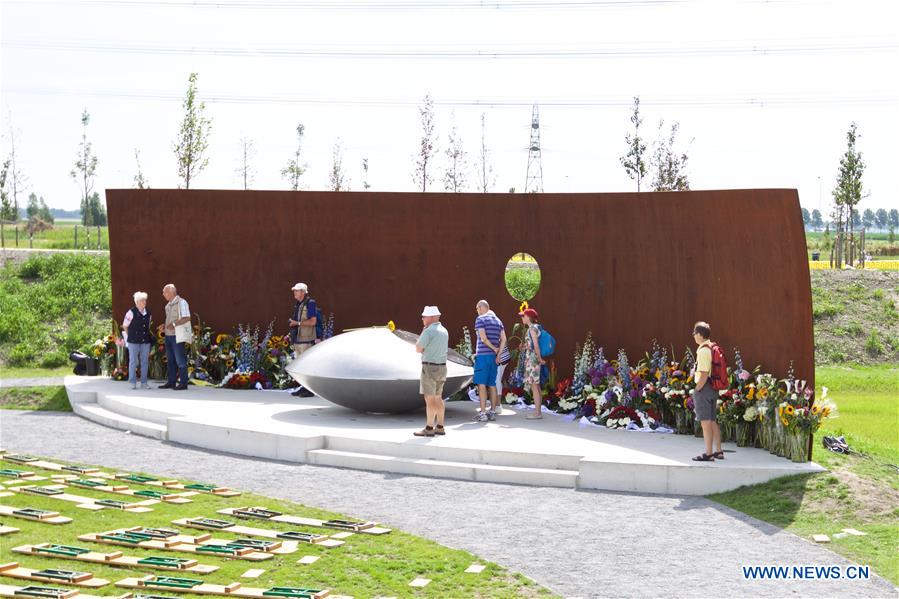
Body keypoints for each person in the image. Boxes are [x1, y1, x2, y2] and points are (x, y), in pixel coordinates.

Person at [414, 305, 449, 437]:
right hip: (442, 367)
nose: (422, 318)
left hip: (429, 368)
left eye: (424, 316)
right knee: (438, 397)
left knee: (429, 399)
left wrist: (423, 332)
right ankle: (440, 426)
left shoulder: (428, 331)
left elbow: (418, 348)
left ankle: (429, 428)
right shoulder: (444, 330)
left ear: (432, 317)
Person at [691, 321, 724, 461]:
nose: (693, 335)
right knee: (712, 421)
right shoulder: (711, 347)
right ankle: (719, 451)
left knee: (705, 423)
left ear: (700, 334)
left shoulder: (703, 351)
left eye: (694, 333)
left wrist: (696, 389)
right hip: (713, 388)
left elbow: (704, 373)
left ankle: (709, 453)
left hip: (704, 388)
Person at [472, 299, 507, 422]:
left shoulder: (480, 319)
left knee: (481, 384)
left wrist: (493, 348)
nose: (477, 311)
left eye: (477, 308)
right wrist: (498, 353)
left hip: (482, 356)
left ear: (481, 307)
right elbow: (504, 339)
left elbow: (483, 338)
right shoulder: (498, 321)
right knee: (492, 384)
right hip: (493, 357)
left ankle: (482, 413)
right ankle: (492, 412)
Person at [157, 284, 191, 391]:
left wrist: (174, 324)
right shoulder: (167, 306)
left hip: (178, 336)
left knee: (180, 360)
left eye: (165, 292)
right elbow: (170, 321)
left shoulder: (182, 302)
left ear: (171, 292)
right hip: (168, 336)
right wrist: (164, 326)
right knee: (170, 360)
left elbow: (187, 318)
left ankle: (183, 383)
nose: (163, 294)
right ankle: (171, 382)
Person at [288, 282, 318, 397]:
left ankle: (310, 390)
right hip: (298, 339)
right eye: (294, 291)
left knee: (307, 366)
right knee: (300, 366)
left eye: (297, 290)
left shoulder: (310, 303)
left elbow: (313, 322)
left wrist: (297, 323)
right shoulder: (298, 304)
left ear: (303, 292)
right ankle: (303, 387)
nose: (294, 292)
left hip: (306, 340)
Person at [122, 291, 152, 390]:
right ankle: (132, 382)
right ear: (137, 302)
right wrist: (130, 335)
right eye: (142, 300)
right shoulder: (130, 312)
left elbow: (147, 326)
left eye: (145, 300)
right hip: (133, 341)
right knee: (133, 362)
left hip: (145, 341)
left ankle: (144, 383)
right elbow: (125, 326)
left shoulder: (148, 313)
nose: (145, 302)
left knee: (145, 362)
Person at [519, 307, 545, 419]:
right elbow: (532, 345)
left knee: (534, 386)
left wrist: (539, 358)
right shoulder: (536, 327)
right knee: (536, 385)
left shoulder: (532, 329)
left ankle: (537, 413)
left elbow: (536, 345)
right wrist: (525, 346)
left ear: (529, 317)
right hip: (533, 359)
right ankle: (538, 411)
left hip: (533, 360)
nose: (522, 318)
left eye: (523, 316)